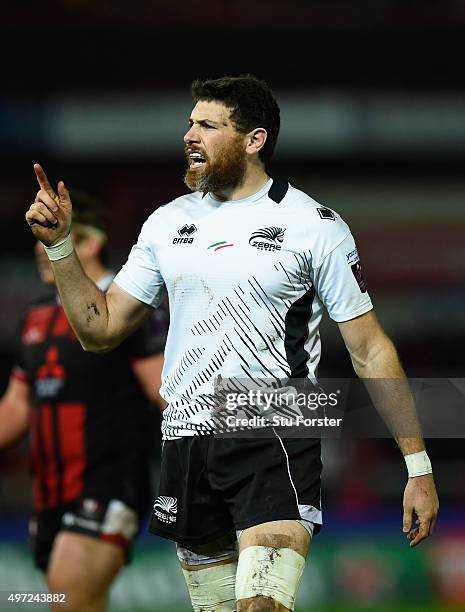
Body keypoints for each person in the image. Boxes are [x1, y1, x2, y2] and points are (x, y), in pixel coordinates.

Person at [25, 75, 439, 612]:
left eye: (207, 125)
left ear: (253, 140)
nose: (189, 134)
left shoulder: (313, 226)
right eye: (190, 123)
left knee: (261, 607)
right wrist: (61, 249)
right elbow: (99, 329)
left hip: (275, 423)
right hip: (187, 434)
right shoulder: (166, 223)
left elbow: (370, 349)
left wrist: (418, 467)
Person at [2, 192, 168, 612]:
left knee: (69, 599)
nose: (42, 250)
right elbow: (16, 408)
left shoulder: (129, 307)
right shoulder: (35, 318)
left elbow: (165, 390)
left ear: (91, 241)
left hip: (108, 484)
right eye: (40, 239)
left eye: (53, 237)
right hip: (50, 494)